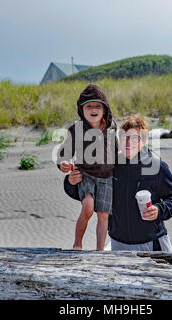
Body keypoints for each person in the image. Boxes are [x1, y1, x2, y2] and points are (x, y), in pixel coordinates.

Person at [63, 115, 172, 252]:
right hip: (118, 244)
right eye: (124, 137)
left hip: (153, 243)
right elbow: (85, 190)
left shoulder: (156, 166)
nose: (128, 142)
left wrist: (160, 209)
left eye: (134, 138)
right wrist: (71, 182)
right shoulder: (109, 165)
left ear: (143, 141)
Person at [57, 83, 117, 251]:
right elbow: (63, 153)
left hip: (107, 177)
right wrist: (62, 164)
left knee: (103, 215)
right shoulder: (76, 129)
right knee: (88, 207)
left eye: (98, 106)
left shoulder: (112, 127)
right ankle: (77, 244)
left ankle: (99, 251)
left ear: (104, 109)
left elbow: (116, 150)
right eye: (89, 106)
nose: (93, 109)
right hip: (86, 174)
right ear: (81, 109)